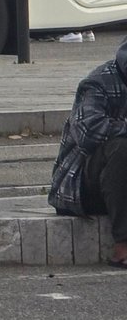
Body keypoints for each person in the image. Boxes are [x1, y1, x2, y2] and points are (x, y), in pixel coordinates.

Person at [49, 38, 127, 267]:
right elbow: (88, 132)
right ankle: (123, 245)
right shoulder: (98, 83)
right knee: (122, 148)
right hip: (81, 181)